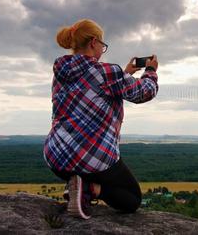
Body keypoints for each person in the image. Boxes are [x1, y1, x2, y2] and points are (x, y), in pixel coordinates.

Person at [43, 18, 159, 219]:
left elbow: (94, 88)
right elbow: (145, 92)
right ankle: (89, 189)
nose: (102, 49)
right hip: (93, 159)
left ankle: (75, 184)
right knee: (131, 199)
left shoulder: (60, 73)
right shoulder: (107, 73)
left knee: (82, 165)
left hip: (56, 157)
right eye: (102, 45)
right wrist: (150, 71)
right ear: (93, 42)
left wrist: (125, 74)